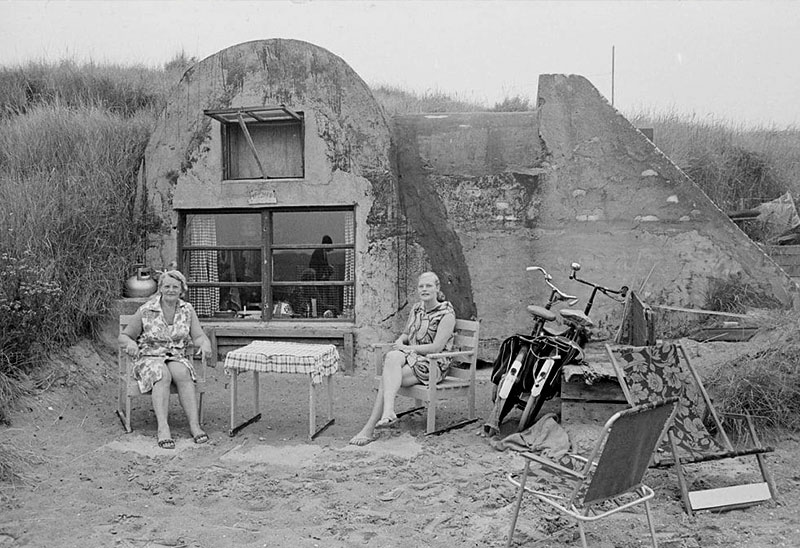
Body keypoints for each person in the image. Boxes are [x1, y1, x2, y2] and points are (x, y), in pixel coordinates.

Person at [349, 271, 456, 446]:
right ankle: (388, 411)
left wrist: (406, 348)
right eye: (421, 286)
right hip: (411, 358)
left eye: (428, 286)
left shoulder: (446, 314)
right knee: (392, 356)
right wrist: (399, 342)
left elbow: (436, 347)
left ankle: (369, 428)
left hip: (432, 364)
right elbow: (406, 334)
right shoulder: (417, 308)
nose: (424, 289)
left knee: (387, 378)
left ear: (437, 288)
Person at [119, 269, 212, 449]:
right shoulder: (146, 310)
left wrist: (205, 344)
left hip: (175, 355)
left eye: (175, 287)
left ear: (181, 290)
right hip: (149, 357)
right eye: (167, 286)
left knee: (183, 373)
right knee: (161, 374)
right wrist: (130, 344)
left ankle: (194, 425)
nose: (171, 290)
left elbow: (198, 336)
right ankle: (163, 427)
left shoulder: (187, 310)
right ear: (160, 288)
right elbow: (125, 336)